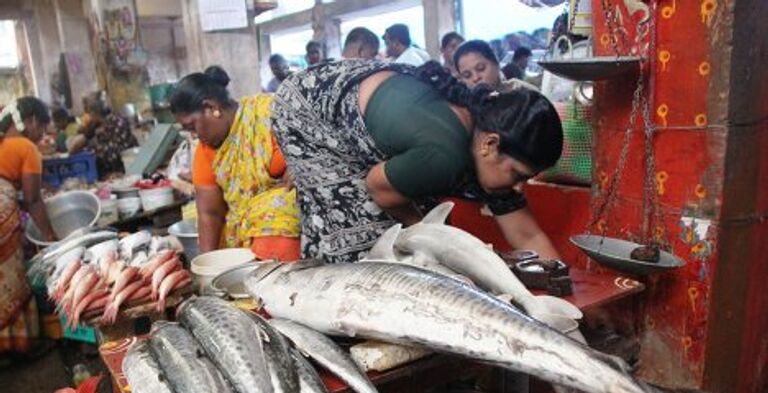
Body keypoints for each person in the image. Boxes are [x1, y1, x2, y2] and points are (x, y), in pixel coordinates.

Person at [271, 60, 563, 263]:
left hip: (378, 108)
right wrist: (431, 236)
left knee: (420, 225)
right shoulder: (444, 156)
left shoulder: (485, 137)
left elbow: (528, 236)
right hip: (309, 108)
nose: (520, 187)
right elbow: (378, 187)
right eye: (517, 175)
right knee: (367, 247)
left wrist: (571, 301)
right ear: (490, 144)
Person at [170, 66, 300, 260]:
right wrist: (207, 266)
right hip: (242, 240)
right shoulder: (206, 152)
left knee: (277, 207)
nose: (194, 135)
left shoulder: (270, 114)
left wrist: (304, 165)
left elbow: (320, 140)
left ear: (211, 108)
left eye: (192, 126)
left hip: (293, 230)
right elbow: (209, 214)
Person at [0, 97, 56, 353]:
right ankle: (18, 347)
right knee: (11, 279)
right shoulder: (26, 147)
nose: (42, 135)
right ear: (31, 120)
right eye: (42, 128)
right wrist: (51, 237)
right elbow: (33, 199)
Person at [70, 96, 138, 178]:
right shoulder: (100, 125)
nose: (90, 117)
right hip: (116, 165)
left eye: (90, 114)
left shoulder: (113, 123)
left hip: (125, 167)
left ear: (95, 113)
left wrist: (85, 148)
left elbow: (110, 153)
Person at [454, 40, 538, 92]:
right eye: (467, 75)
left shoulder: (525, 94)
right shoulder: (466, 111)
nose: (475, 78)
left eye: (481, 68)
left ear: (496, 64)